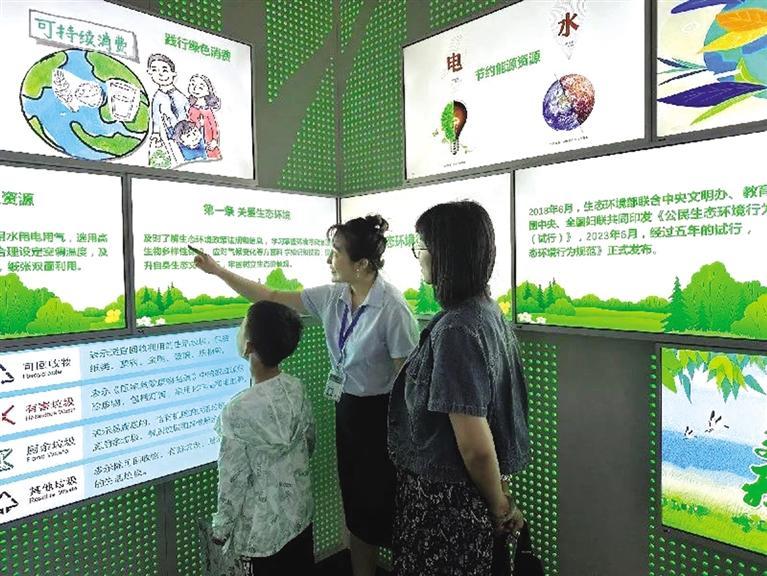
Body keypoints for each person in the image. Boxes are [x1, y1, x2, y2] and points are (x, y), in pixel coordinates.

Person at [194, 215, 419, 576]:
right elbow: (270, 296)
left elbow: (408, 384)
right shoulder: (332, 296)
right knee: (356, 512)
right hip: (348, 411)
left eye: (336, 252)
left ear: (361, 264)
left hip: (384, 420)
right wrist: (218, 271)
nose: (329, 259)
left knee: (385, 511)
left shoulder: (392, 308)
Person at [387, 200, 531, 576]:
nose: (418, 256)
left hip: (447, 505)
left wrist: (500, 507)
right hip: (467, 497)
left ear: (446, 253)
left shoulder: (456, 330)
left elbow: (474, 445)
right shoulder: (487, 312)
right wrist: (499, 496)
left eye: (421, 246)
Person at [212, 301, 315, 576]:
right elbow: (309, 441)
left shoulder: (237, 410)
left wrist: (221, 530)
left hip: (259, 534)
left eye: (242, 325)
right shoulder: (296, 388)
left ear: (249, 346)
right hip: (299, 516)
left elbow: (232, 480)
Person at [146, 54, 189, 142]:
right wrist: (156, 133)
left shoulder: (180, 96)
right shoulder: (157, 98)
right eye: (154, 70)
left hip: (188, 129)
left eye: (164, 70)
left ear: (173, 73)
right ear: (150, 73)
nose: (160, 74)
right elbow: (156, 117)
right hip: (172, 132)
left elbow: (189, 110)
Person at [188, 74, 222, 159]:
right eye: (192, 84)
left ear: (208, 91)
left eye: (200, 87)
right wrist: (199, 124)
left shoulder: (208, 110)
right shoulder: (192, 109)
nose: (195, 89)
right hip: (198, 143)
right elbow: (191, 125)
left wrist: (214, 140)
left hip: (210, 143)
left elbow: (214, 127)